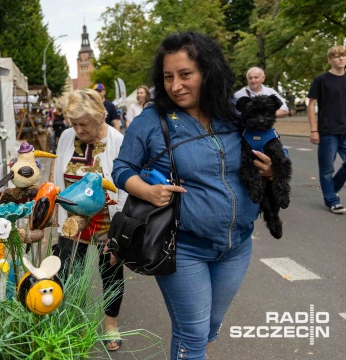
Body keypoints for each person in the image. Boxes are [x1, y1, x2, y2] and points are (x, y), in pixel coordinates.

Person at [113, 32, 274, 360]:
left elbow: (264, 154)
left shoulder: (234, 114)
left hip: (237, 246)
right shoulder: (152, 119)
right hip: (182, 247)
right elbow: (122, 169)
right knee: (194, 333)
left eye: (185, 74)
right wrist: (147, 190)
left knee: (210, 326)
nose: (175, 86)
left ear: (208, 72)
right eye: (168, 77)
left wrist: (271, 171)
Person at [53, 89, 128, 351]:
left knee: (110, 270)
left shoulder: (117, 141)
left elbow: (125, 189)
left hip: (108, 220)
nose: (78, 129)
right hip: (72, 219)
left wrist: (119, 235)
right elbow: (57, 176)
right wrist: (55, 214)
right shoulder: (66, 137)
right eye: (73, 123)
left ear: (99, 117)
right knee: (68, 271)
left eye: (83, 123)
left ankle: (110, 325)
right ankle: (75, 322)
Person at [307, 45, 346, 214]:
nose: (341, 59)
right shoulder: (321, 80)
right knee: (327, 168)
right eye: (336, 56)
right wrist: (314, 130)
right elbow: (311, 105)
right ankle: (332, 200)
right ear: (329, 60)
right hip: (327, 130)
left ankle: (331, 190)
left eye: (343, 56)